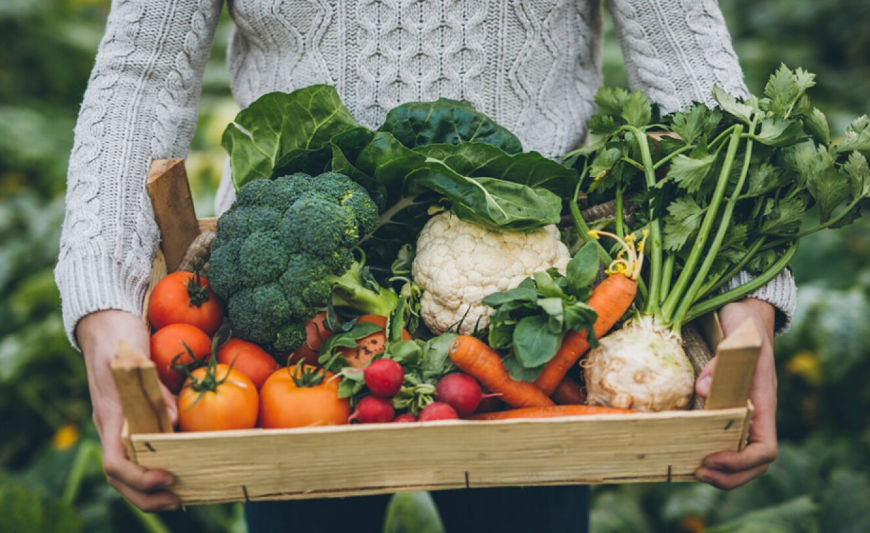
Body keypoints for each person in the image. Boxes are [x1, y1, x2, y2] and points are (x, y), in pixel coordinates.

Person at [56, 0, 795, 528]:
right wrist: (103, 300)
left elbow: (687, 54)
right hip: (293, 332)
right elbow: (141, 73)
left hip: (537, 319)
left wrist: (745, 290)